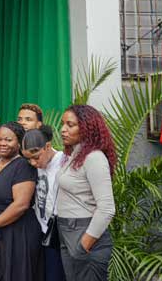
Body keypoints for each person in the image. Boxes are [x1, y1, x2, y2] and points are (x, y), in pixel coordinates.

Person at [57, 105, 117, 281]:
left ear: (87, 127)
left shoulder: (94, 158)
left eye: (70, 125)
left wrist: (83, 246)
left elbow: (107, 208)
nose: (63, 129)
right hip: (67, 231)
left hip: (84, 232)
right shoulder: (76, 155)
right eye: (63, 124)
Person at [0, 122, 42, 281]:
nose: (2, 143)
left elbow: (21, 205)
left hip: (18, 232)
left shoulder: (24, 166)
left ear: (19, 142)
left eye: (8, 140)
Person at [22, 125, 66, 281]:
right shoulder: (34, 167)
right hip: (43, 230)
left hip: (62, 232)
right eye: (28, 159)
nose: (33, 163)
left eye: (36, 157)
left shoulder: (64, 161)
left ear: (47, 146)